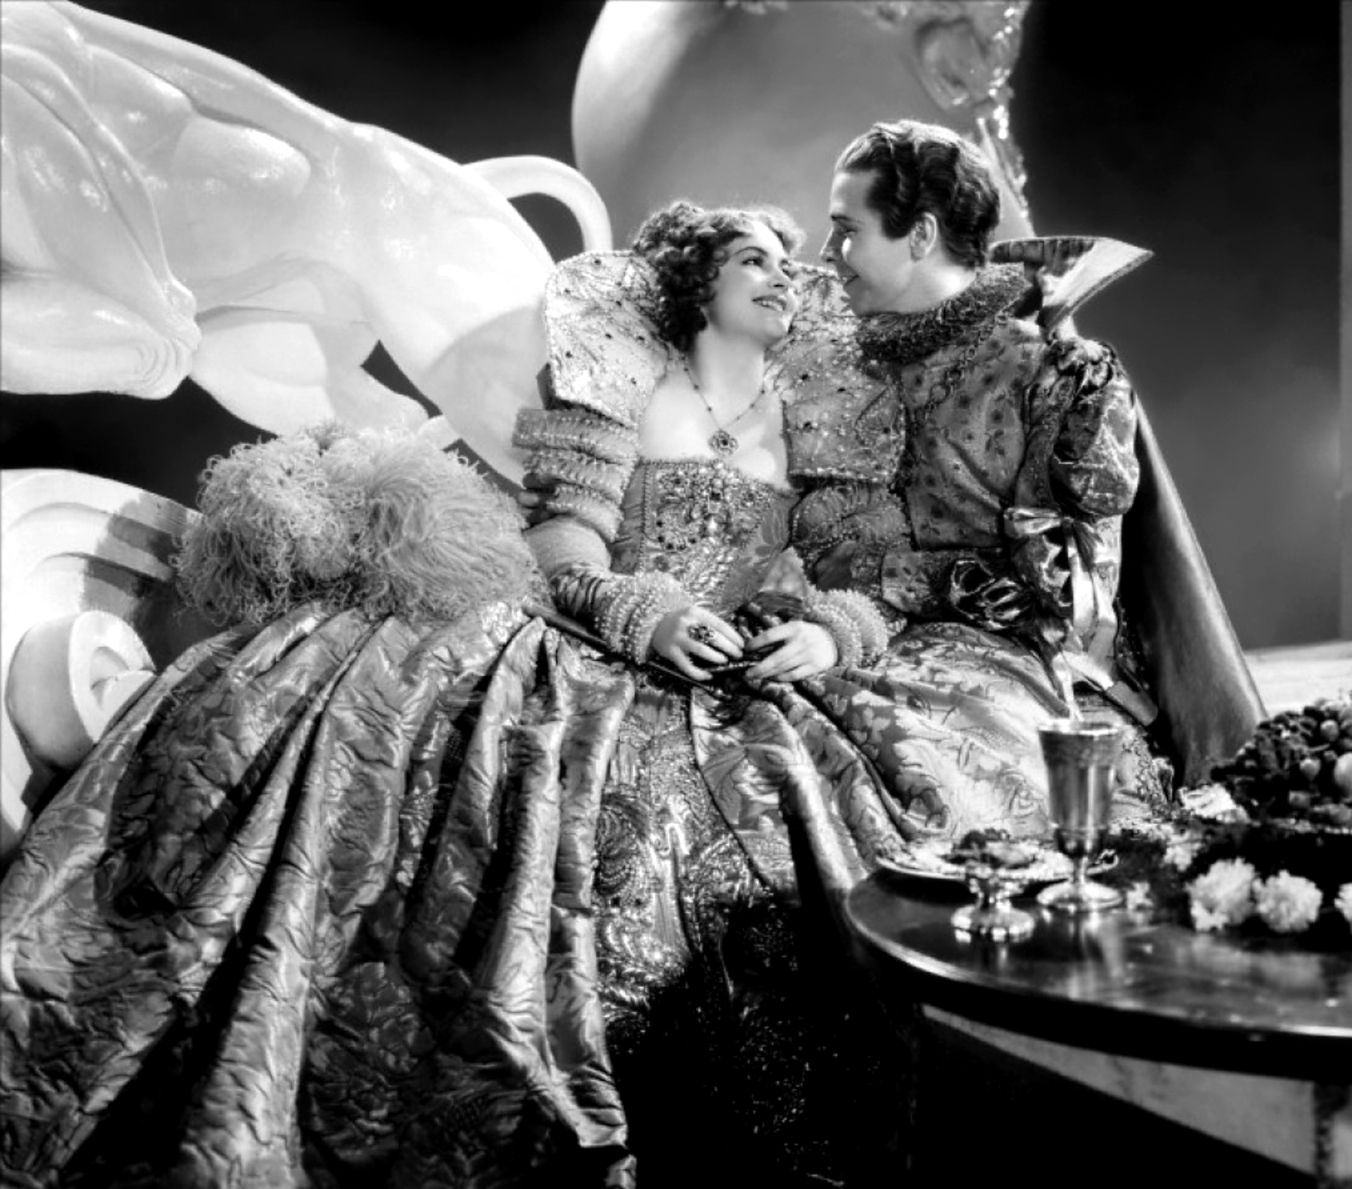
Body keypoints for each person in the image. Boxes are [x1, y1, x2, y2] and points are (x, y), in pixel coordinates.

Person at [0, 202, 920, 1189]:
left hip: (737, 670)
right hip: (599, 635)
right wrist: (640, 611)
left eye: (788, 263)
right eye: (753, 258)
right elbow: (565, 536)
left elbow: (867, 570)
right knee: (383, 719)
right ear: (700, 283)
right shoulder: (629, 382)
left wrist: (828, 629)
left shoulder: (815, 417)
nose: (782, 277)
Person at [789, 119, 1262, 804]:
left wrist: (883, 579)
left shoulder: (1057, 374)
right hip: (850, 636)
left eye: (846, 229)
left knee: (892, 766)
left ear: (920, 235)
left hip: (1024, 667)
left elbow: (1069, 600)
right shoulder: (831, 356)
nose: (828, 251)